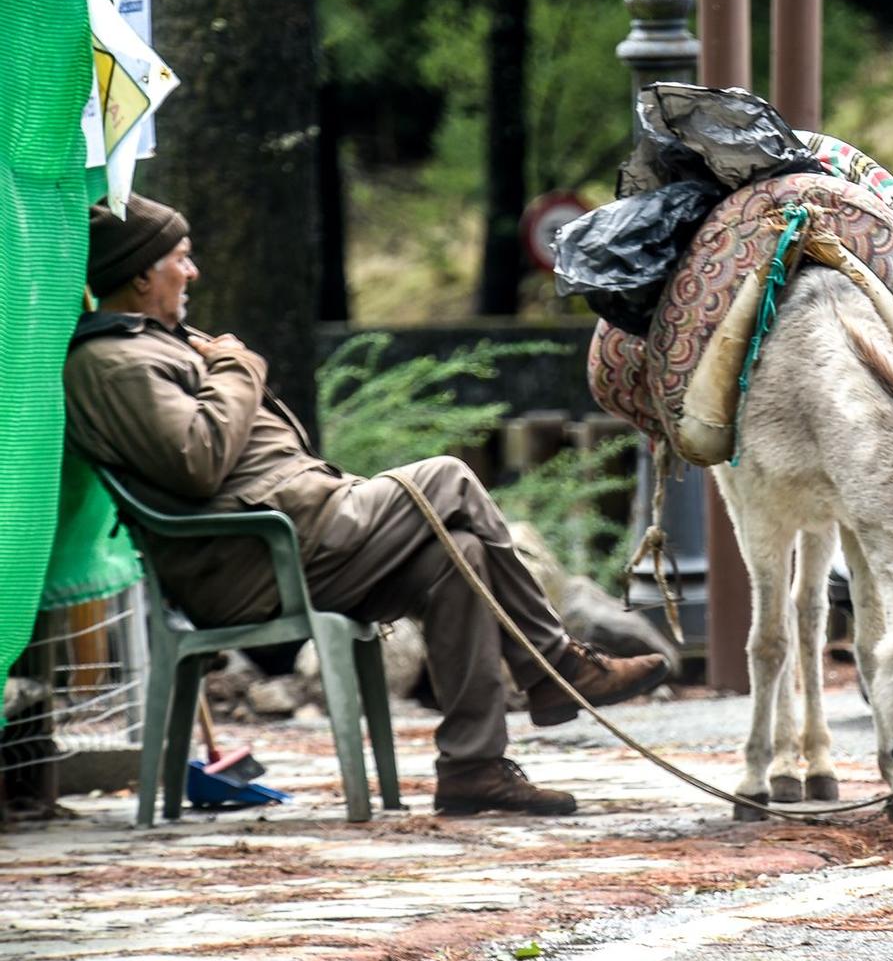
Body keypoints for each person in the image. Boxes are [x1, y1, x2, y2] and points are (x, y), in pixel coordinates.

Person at [64, 196, 671, 817]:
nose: (191, 274)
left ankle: (474, 769)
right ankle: (556, 667)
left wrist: (222, 366)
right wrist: (236, 368)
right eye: (181, 260)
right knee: (451, 476)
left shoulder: (152, 345)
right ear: (141, 274)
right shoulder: (115, 363)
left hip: (301, 534)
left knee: (457, 557)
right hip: (263, 557)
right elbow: (196, 462)